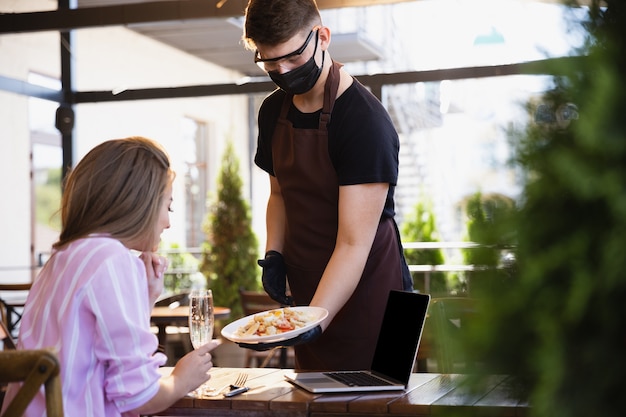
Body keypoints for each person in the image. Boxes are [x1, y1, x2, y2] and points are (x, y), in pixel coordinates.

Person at [242, 0, 413, 371]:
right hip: (311, 291)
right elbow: (280, 194)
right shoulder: (272, 112)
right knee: (315, 403)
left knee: (378, 405)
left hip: (374, 294)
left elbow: (353, 244)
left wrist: (313, 319)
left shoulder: (363, 122)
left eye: (292, 59)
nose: (283, 72)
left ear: (322, 37)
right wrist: (274, 254)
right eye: (270, 63)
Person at [1, 137, 219, 417]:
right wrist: (181, 380)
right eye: (169, 206)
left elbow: (97, 353)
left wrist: (146, 297)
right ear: (139, 202)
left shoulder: (62, 257)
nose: (168, 222)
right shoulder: (112, 259)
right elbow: (138, 397)